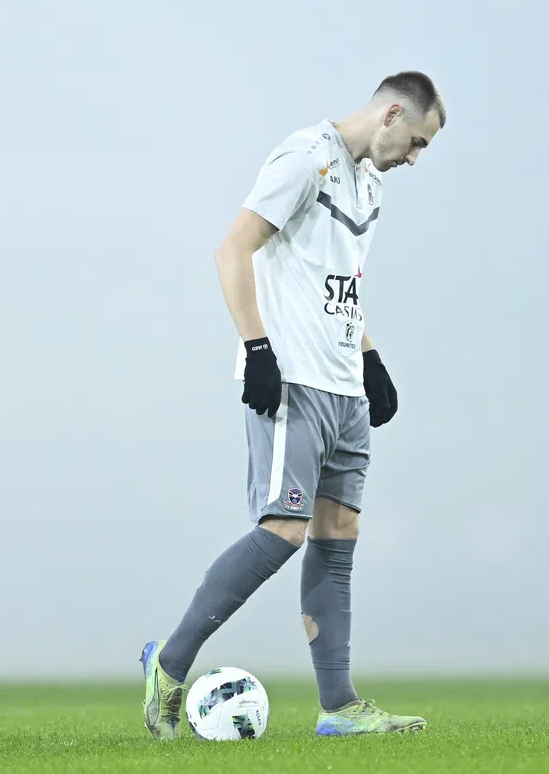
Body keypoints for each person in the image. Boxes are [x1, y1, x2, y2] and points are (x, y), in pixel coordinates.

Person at [141, 72, 445, 739]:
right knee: (284, 531)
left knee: (337, 541)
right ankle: (169, 664)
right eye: (417, 142)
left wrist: (370, 358)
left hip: (343, 388)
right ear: (392, 112)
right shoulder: (304, 156)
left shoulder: (371, 185)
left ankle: (339, 708)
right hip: (295, 381)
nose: (416, 158)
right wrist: (257, 350)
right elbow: (234, 249)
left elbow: (340, 283)